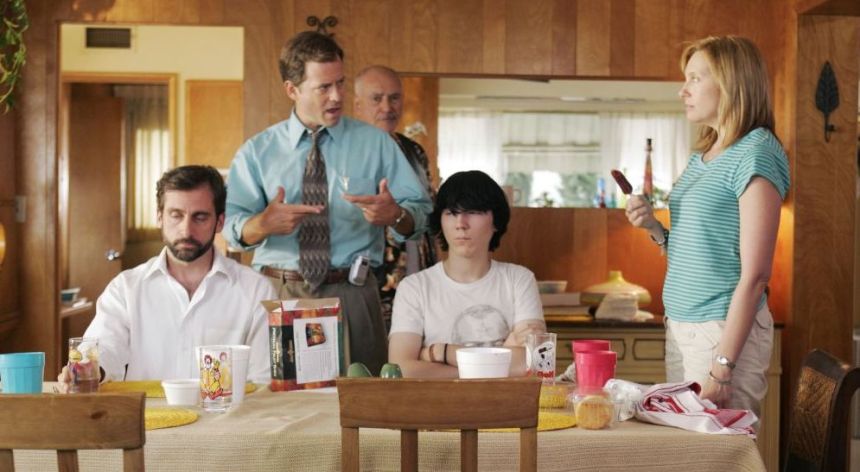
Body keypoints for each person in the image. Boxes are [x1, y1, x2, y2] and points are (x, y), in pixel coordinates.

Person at [223, 32, 432, 376]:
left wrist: (395, 215)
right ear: (292, 89)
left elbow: (421, 215)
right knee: (277, 411)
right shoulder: (257, 151)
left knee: (365, 409)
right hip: (279, 291)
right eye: (323, 87)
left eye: (341, 83)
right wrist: (263, 224)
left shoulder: (376, 144)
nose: (337, 96)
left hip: (353, 293)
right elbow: (231, 231)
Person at [623, 36, 789, 418]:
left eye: (696, 78)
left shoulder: (757, 151)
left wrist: (723, 365)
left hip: (719, 329)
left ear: (732, 83)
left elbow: (756, 275)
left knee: (717, 454)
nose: (683, 90)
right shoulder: (706, 155)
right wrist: (653, 227)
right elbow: (697, 250)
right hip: (681, 324)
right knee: (689, 452)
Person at [58, 165, 275, 391]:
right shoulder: (126, 288)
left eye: (199, 217)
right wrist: (87, 369)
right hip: (147, 423)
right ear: (160, 217)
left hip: (227, 423)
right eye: (176, 215)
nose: (186, 230)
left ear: (220, 222)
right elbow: (104, 346)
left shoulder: (256, 290)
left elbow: (262, 379)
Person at [388, 170, 546, 378]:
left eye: (473, 212)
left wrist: (440, 352)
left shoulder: (519, 280)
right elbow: (402, 369)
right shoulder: (415, 287)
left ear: (496, 221)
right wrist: (498, 361)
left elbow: (537, 362)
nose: (461, 223)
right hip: (436, 407)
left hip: (506, 406)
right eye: (451, 213)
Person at [353, 64, 437, 325]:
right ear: (357, 105)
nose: (387, 107)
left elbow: (428, 212)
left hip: (416, 277)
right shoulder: (345, 151)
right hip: (365, 284)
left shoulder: (413, 150)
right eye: (376, 99)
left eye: (394, 98)